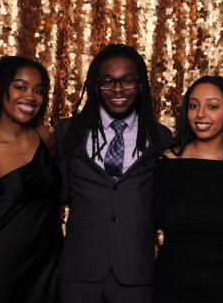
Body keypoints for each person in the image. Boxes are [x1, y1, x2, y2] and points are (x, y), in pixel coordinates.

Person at [55, 44, 172, 303]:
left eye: (127, 80)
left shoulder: (159, 137)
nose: (118, 89)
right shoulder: (68, 132)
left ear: (140, 85)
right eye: (108, 81)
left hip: (136, 271)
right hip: (80, 270)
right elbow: (55, 190)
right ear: (96, 87)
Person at [0, 56, 63, 303]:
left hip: (49, 266)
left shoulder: (44, 136)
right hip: (4, 267)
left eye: (38, 91)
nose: (30, 96)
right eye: (20, 87)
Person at [152, 76, 223, 303]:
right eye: (193, 105)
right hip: (172, 287)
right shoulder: (166, 163)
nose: (200, 114)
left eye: (212, 106)